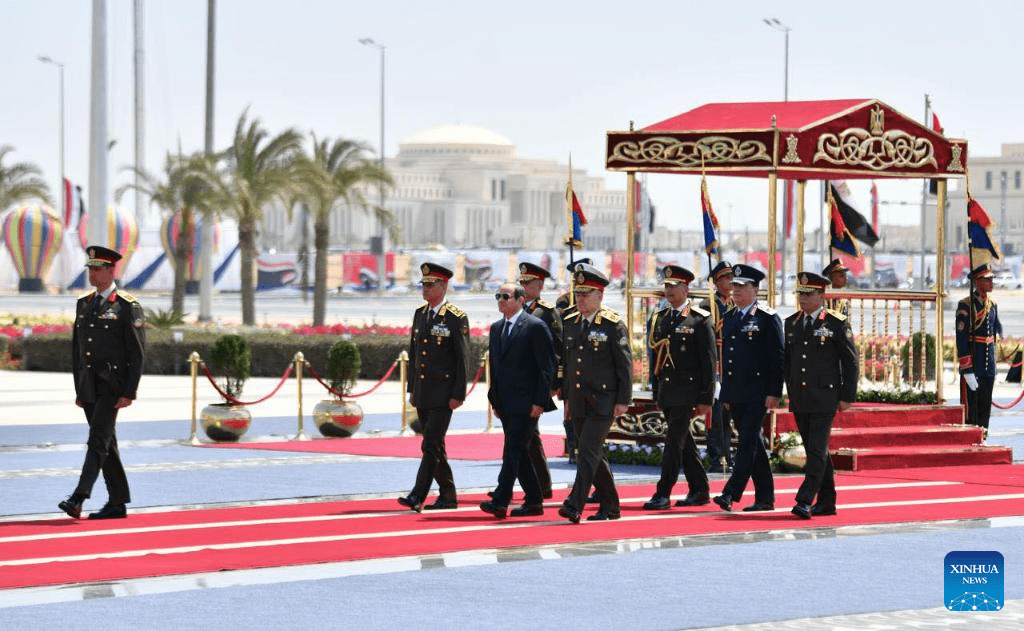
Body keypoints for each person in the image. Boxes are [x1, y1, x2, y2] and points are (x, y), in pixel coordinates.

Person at [58, 245, 146, 520]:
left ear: (111, 270)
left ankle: (78, 497)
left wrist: (129, 391)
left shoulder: (127, 306)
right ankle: (117, 502)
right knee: (107, 444)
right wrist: (79, 389)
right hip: (90, 387)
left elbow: (137, 353)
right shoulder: (83, 304)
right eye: (90, 269)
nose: (92, 274)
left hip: (112, 386)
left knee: (97, 441)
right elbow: (77, 351)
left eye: (97, 269)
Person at [558, 263, 632, 523]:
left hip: (604, 400)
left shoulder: (612, 325)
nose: (580, 298)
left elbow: (624, 366)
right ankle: (611, 505)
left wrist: (623, 400)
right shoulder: (570, 322)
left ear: (600, 295)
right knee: (593, 453)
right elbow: (567, 364)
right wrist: (565, 396)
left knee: (587, 450)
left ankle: (574, 503)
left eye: (586, 293)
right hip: (578, 399)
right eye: (578, 293)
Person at [784, 272, 858, 519]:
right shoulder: (792, 322)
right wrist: (789, 390)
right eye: (801, 294)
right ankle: (827, 501)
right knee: (817, 450)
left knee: (815, 450)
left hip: (825, 396)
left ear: (821, 296)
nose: (803, 299)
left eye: (809, 294)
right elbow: (788, 362)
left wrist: (847, 395)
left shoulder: (835, 323)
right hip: (801, 396)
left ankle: (805, 499)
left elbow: (850, 361)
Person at [398, 262, 470, 512]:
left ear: (444, 285)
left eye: (431, 285)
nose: (426, 289)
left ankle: (418, 495)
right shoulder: (420, 314)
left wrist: (458, 393)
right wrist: (412, 390)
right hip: (423, 392)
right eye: (424, 285)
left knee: (429, 445)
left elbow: (462, 358)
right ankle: (448, 494)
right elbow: (415, 354)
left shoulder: (455, 317)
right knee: (436, 445)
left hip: (443, 393)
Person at [479, 283, 556, 519]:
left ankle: (501, 500)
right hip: (505, 403)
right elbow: (496, 366)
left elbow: (546, 368)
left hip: (527, 403)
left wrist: (540, 401)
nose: (501, 300)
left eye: (506, 296)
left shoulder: (535, 327)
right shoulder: (497, 328)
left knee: (512, 451)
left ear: (521, 300)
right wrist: (494, 399)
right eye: (498, 296)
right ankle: (534, 500)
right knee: (520, 452)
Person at [643, 265, 715, 511]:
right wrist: (656, 390)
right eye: (667, 286)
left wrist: (707, 397)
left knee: (673, 443)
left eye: (674, 286)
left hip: (688, 391)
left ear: (686, 289)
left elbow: (708, 362)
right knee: (684, 442)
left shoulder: (699, 319)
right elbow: (657, 359)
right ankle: (700, 489)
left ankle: (663, 492)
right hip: (668, 390)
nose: (669, 291)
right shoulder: (661, 318)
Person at [713, 264, 784, 513]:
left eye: (743, 287)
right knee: (753, 444)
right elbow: (728, 359)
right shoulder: (731, 318)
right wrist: (727, 394)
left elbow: (777, 358)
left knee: (745, 443)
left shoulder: (767, 318)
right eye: (734, 286)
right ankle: (766, 497)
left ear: (756, 290)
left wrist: (775, 392)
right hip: (737, 392)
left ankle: (731, 492)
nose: (737, 291)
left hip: (758, 392)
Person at [519, 261, 562, 498]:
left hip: (536, 384)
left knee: (529, 436)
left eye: (528, 282)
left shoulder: (546, 312)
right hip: (519, 384)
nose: (524, 286)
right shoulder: (518, 309)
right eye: (522, 282)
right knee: (526, 437)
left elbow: (556, 351)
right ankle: (539, 484)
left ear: (540, 285)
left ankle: (541, 485)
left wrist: (554, 384)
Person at [956, 263, 1003, 433]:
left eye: (991, 279)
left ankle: (983, 436)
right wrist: (966, 368)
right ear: (977, 281)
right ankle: (971, 438)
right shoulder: (966, 305)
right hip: (974, 363)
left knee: (985, 406)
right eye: (987, 279)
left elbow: (995, 332)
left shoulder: (993, 305)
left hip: (987, 365)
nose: (991, 283)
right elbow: (961, 339)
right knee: (972, 407)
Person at [699, 260, 735, 474]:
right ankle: (716, 456)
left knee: (728, 414)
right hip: (716, 366)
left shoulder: (733, 304)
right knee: (716, 414)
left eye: (731, 278)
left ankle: (728, 454)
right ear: (716, 282)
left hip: (731, 365)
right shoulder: (707, 306)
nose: (729, 282)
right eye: (725, 278)